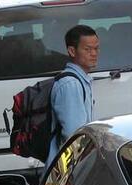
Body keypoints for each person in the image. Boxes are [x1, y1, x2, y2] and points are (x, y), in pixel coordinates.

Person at [46, 25, 98, 170]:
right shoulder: (71, 84)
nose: (94, 53)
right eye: (87, 49)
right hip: (67, 170)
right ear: (72, 51)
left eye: (96, 48)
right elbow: (75, 136)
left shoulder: (81, 80)